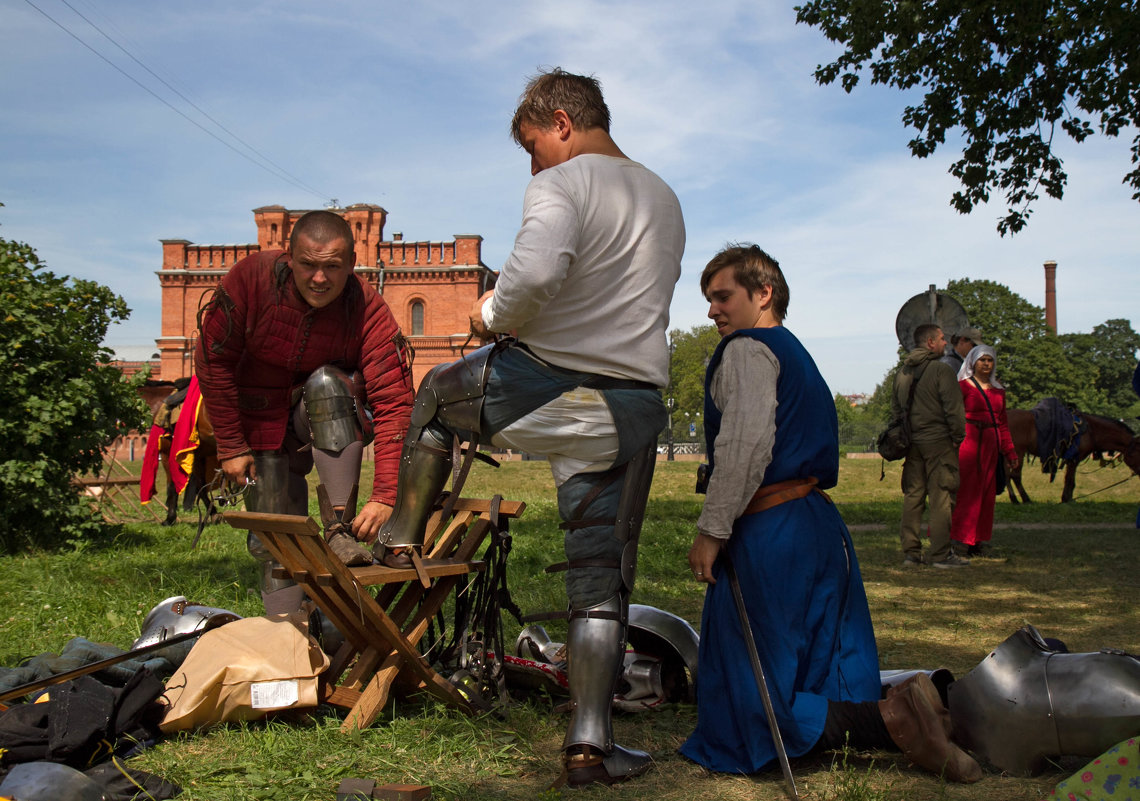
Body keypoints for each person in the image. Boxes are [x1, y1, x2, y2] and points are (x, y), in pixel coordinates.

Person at [373, 68, 685, 787]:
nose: (533, 159)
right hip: (634, 407)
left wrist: (489, 314)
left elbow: (539, 273)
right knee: (601, 582)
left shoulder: (561, 183)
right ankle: (590, 743)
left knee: (433, 396)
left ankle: (400, 539)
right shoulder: (663, 196)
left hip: (552, 388)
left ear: (561, 122)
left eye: (532, 143)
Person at [680, 245, 980, 783]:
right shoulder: (795, 351)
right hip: (814, 524)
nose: (712, 311)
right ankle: (917, 709)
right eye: (709, 300)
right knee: (815, 663)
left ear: (763, 292)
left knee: (747, 696)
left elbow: (746, 446)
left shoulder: (747, 350)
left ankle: (893, 721)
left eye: (723, 296)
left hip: (771, 529)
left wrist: (711, 529)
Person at [195, 210, 414, 615]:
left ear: (351, 264)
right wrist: (230, 444)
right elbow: (213, 360)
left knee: (329, 384)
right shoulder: (250, 280)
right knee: (276, 542)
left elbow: (394, 401)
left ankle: (338, 528)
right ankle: (288, 636)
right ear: (289, 258)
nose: (319, 278)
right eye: (308, 265)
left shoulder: (366, 306)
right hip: (257, 425)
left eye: (332, 267)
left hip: (311, 415)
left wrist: (385, 495)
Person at [895, 323, 967, 568]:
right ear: (930, 343)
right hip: (939, 443)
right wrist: (958, 437)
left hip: (911, 442)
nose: (946, 343)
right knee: (941, 497)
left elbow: (897, 410)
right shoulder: (941, 371)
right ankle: (940, 555)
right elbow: (954, 410)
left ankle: (911, 554)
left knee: (913, 496)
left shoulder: (903, 371)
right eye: (941, 339)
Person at [950, 345, 1018, 556]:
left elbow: (1003, 423)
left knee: (986, 495)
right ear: (973, 362)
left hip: (990, 446)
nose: (986, 364)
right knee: (966, 493)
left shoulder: (998, 390)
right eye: (982, 360)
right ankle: (961, 539)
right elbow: (952, 416)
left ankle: (978, 539)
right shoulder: (963, 387)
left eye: (990, 360)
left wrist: (1010, 452)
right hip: (969, 445)